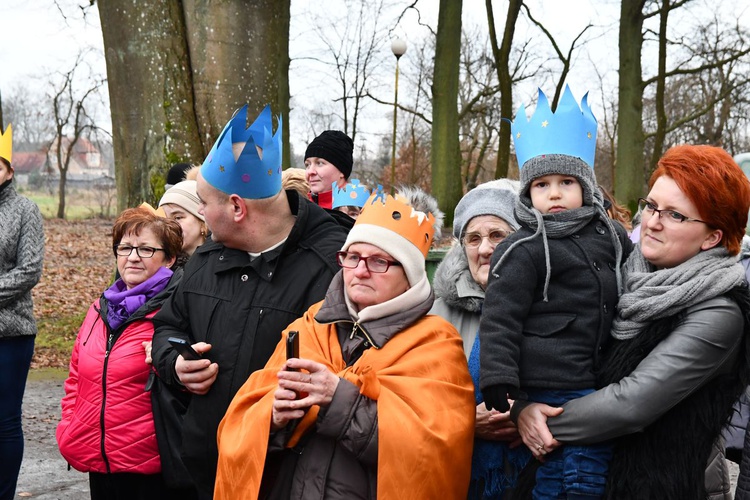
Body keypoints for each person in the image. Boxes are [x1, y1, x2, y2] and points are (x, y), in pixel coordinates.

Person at [515, 144, 750, 500]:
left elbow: (631, 404)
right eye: (651, 206)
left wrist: (533, 420)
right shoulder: (622, 274)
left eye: (675, 215)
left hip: (651, 486)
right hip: (577, 474)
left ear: (712, 237)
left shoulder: (719, 312)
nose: (651, 222)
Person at [213, 186, 475, 499]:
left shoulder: (436, 343)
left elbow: (431, 454)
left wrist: (337, 399)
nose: (361, 271)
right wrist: (274, 417)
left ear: (410, 276)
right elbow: (244, 416)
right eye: (352, 257)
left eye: (379, 261)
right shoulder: (311, 323)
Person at [151, 105, 347, 499]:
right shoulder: (207, 258)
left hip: (279, 479)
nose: (200, 214)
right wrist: (175, 365)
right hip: (205, 475)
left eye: (204, 203)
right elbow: (168, 327)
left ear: (238, 208)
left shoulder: (333, 266)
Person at [479, 86, 632, 499]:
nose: (555, 193)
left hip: (597, 369)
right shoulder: (521, 248)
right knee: (578, 465)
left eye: (566, 181)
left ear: (585, 186)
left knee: (576, 460)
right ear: (528, 193)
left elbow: (635, 275)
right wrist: (499, 376)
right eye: (542, 184)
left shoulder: (612, 236)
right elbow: (500, 316)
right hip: (551, 372)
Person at [56, 208, 183, 500]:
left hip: (152, 468)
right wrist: (69, 428)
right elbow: (76, 378)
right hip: (100, 463)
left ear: (170, 258)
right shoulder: (100, 309)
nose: (133, 256)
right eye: (125, 247)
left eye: (146, 249)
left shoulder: (177, 310)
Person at [431, 178, 529, 499]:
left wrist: (530, 414)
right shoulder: (437, 312)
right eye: (473, 239)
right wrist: (466, 422)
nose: (485, 248)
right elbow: (414, 399)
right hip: (454, 476)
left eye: (497, 235)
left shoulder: (551, 301)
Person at [0, 123, 44, 500]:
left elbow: (29, 269)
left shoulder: (24, 210)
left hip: (10, 333)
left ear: (10, 170)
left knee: (4, 421)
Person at [304, 130, 353, 209]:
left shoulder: (360, 213)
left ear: (341, 171)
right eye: (308, 165)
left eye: (319, 163)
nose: (310, 171)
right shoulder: (299, 210)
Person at [158, 180, 208, 256]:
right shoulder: (162, 264)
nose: (169, 225)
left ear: (202, 221)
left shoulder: (220, 262)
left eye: (178, 218)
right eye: (164, 218)